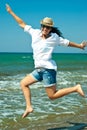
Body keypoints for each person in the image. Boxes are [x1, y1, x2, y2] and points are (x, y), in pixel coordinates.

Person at [6, 4, 87, 118]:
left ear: (51, 29)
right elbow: (21, 23)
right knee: (23, 83)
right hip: (39, 70)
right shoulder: (34, 33)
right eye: (43, 26)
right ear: (41, 26)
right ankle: (29, 107)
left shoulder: (54, 38)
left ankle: (76, 88)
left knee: (52, 96)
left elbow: (67, 43)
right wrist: (11, 12)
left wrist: (80, 46)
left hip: (48, 70)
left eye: (48, 27)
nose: (45, 29)